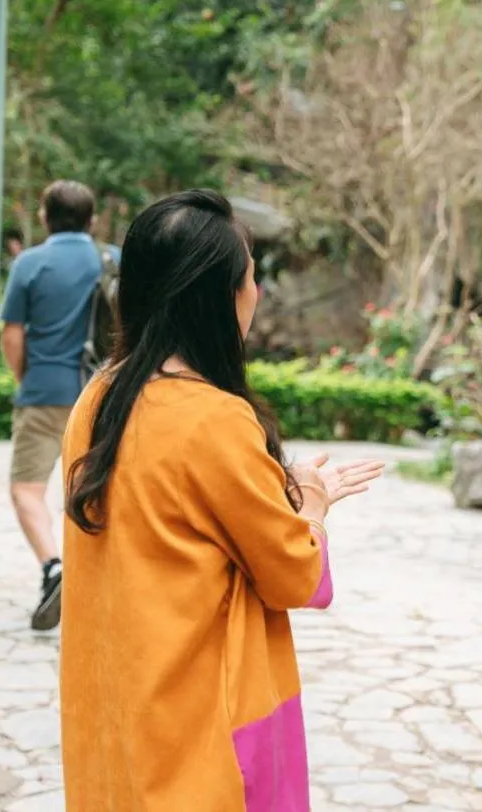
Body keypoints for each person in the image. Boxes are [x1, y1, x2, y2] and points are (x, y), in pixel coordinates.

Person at [58, 188, 385, 809]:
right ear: (220, 295)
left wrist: (272, 488)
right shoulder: (216, 420)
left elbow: (170, 511)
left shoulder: (97, 401)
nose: (256, 293)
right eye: (251, 278)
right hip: (202, 729)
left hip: (115, 722)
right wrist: (310, 505)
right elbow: (293, 575)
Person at [0, 180, 114, 631]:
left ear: (45, 217)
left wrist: (28, 379)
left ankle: (53, 566)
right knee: (91, 489)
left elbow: (12, 335)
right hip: (101, 393)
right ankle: (97, 577)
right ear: (92, 220)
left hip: (44, 392)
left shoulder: (30, 264)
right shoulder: (111, 261)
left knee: (27, 488)